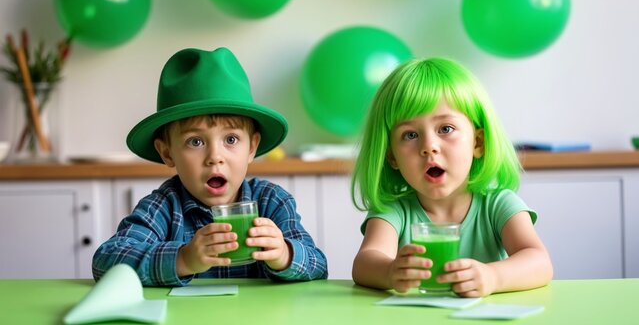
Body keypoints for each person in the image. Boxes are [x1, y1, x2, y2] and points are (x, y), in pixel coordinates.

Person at [93, 47, 328, 286]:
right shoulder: (164, 206)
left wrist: (284, 255)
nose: (215, 157)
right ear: (167, 152)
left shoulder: (272, 201)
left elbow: (319, 266)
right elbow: (106, 261)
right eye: (195, 142)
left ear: (252, 147)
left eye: (231, 139)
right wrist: (183, 258)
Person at [350, 57, 552, 297]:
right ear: (391, 156)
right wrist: (390, 272)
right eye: (411, 134)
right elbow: (364, 263)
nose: (429, 147)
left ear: (478, 142)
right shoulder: (394, 211)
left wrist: (493, 277)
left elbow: (539, 261)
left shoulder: (498, 205)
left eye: (445, 129)